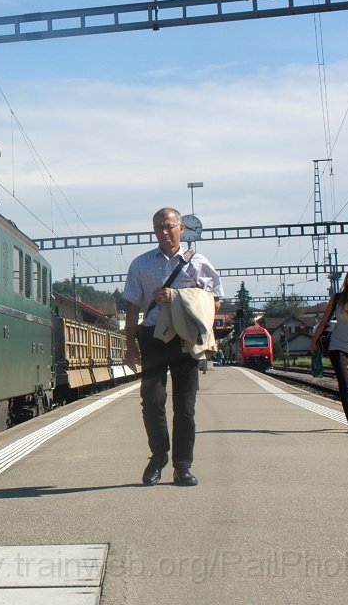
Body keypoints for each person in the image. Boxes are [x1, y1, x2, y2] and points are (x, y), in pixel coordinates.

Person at [124, 208, 223, 487]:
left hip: (186, 338)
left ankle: (183, 466)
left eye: (169, 226)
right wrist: (130, 345)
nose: (164, 232)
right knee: (152, 402)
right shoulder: (140, 264)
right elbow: (132, 307)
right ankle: (158, 456)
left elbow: (215, 302)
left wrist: (178, 297)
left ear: (181, 228)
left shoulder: (198, 263)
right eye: (158, 228)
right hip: (153, 337)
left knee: (185, 406)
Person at [310, 267, 348, 433]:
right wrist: (314, 340)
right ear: (346, 280)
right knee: (344, 384)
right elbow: (324, 321)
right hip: (337, 346)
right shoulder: (337, 299)